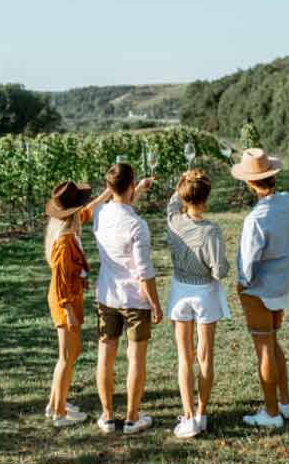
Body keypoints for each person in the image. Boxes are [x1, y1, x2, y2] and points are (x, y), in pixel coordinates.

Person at [93, 163, 163, 435]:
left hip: (107, 295)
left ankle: (108, 416)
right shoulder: (137, 225)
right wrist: (155, 303)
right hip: (135, 300)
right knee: (136, 360)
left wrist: (136, 189)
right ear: (131, 186)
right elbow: (144, 271)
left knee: (105, 356)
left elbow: (116, 202)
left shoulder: (100, 214)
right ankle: (133, 417)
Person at [231, 149, 289, 429]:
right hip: (282, 284)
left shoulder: (255, 219)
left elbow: (249, 261)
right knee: (273, 342)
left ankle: (271, 413)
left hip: (259, 289)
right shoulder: (288, 202)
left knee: (264, 349)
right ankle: (285, 401)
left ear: (249, 183)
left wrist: (241, 284)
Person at [165, 169, 230, 438]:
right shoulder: (211, 231)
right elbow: (219, 271)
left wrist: (184, 178)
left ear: (183, 196)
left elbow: (171, 203)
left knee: (184, 357)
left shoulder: (173, 222)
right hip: (205, 293)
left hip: (181, 291)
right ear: (206, 197)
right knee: (205, 356)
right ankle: (202, 412)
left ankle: (188, 416)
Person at [44, 180, 112, 427]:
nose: (84, 207)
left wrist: (107, 192)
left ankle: (55, 404)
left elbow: (90, 209)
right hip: (65, 302)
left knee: (69, 354)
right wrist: (70, 311)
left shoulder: (68, 229)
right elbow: (62, 282)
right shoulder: (64, 242)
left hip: (67, 299)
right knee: (67, 356)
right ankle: (60, 413)